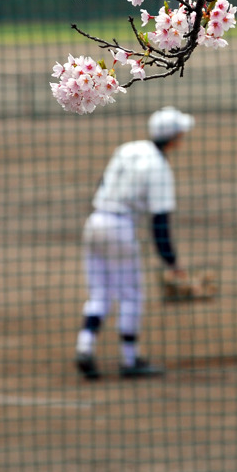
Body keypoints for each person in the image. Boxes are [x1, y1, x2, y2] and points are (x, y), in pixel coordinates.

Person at [75, 105, 194, 380]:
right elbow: (159, 224)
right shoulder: (159, 168)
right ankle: (130, 360)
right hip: (120, 228)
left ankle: (85, 346)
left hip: (95, 222)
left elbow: (101, 183)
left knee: (99, 293)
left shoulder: (128, 149)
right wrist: (172, 262)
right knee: (131, 295)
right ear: (174, 138)